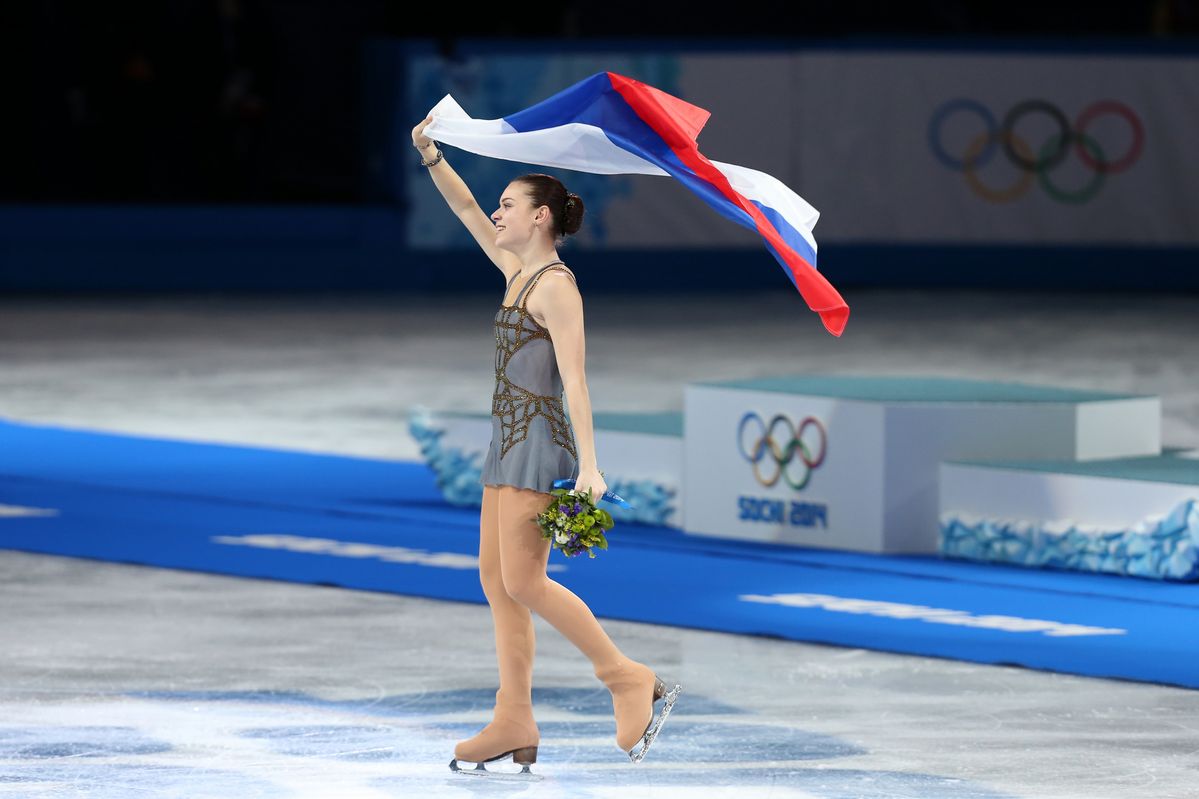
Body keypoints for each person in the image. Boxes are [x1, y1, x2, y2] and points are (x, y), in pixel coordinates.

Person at [411, 114, 681, 774]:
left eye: (509, 205)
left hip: (535, 439)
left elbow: (577, 380)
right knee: (495, 580)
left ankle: (624, 675)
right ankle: (512, 716)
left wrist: (590, 463)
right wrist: (428, 153)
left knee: (525, 580)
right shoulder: (513, 267)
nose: (497, 213)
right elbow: (466, 207)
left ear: (539, 219)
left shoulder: (556, 288)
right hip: (504, 440)